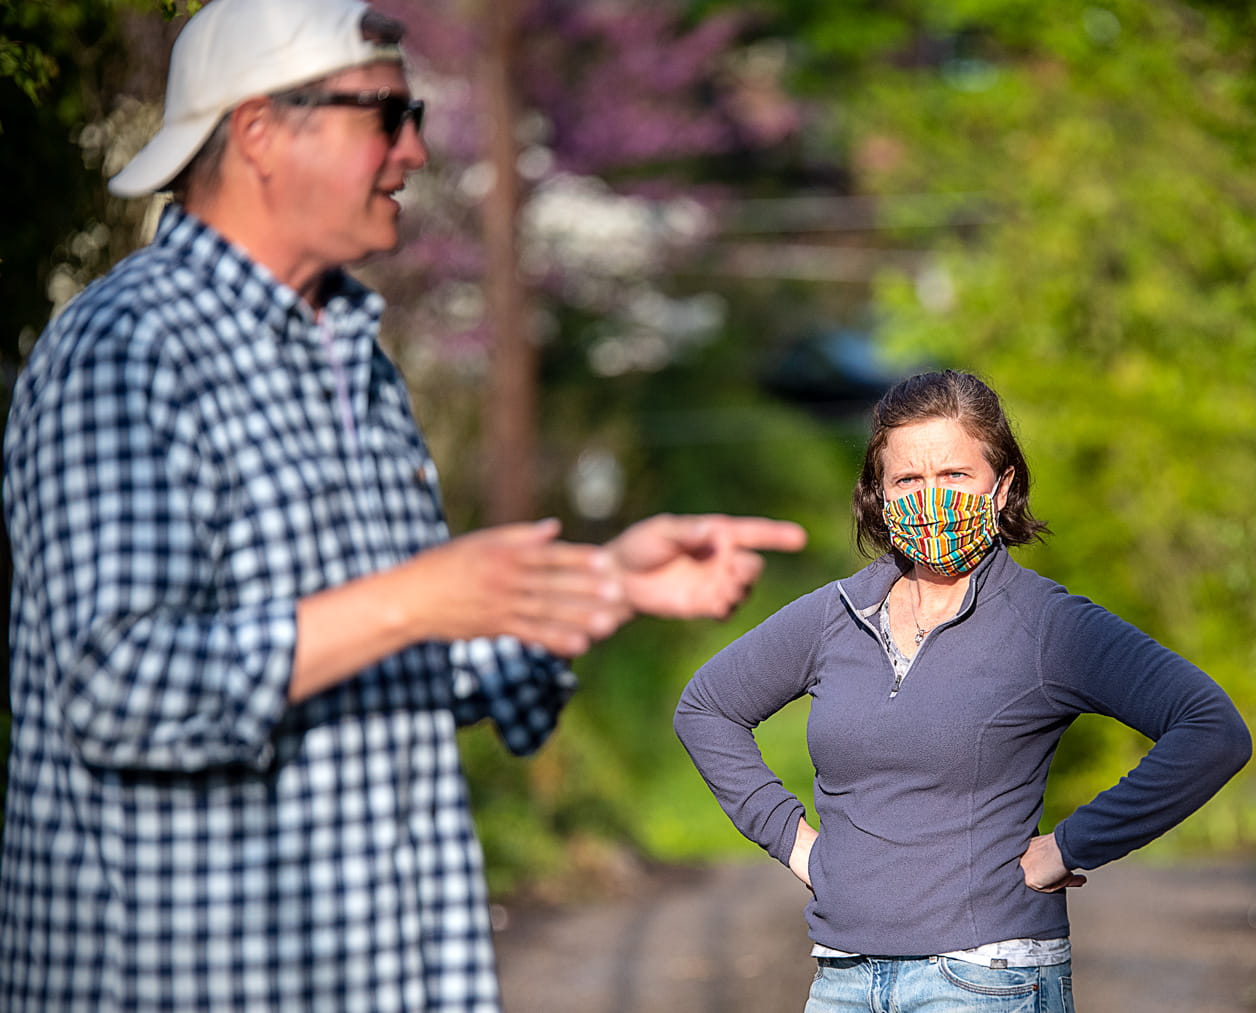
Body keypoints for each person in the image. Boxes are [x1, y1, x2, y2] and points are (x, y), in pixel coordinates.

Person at [0, 0, 806, 1008]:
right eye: (386, 115)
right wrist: (416, 600)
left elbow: (380, 663)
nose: (416, 151)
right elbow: (114, 685)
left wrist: (602, 580)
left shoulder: (352, 359)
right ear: (258, 131)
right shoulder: (125, 350)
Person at [674, 369, 1252, 1011]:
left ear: (1002, 487)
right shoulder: (836, 616)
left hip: (986, 979)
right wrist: (796, 843)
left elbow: (1211, 730)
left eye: (954, 477)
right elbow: (707, 707)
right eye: (908, 481)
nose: (931, 499)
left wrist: (1069, 847)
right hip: (843, 978)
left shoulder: (1045, 626)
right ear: (878, 493)